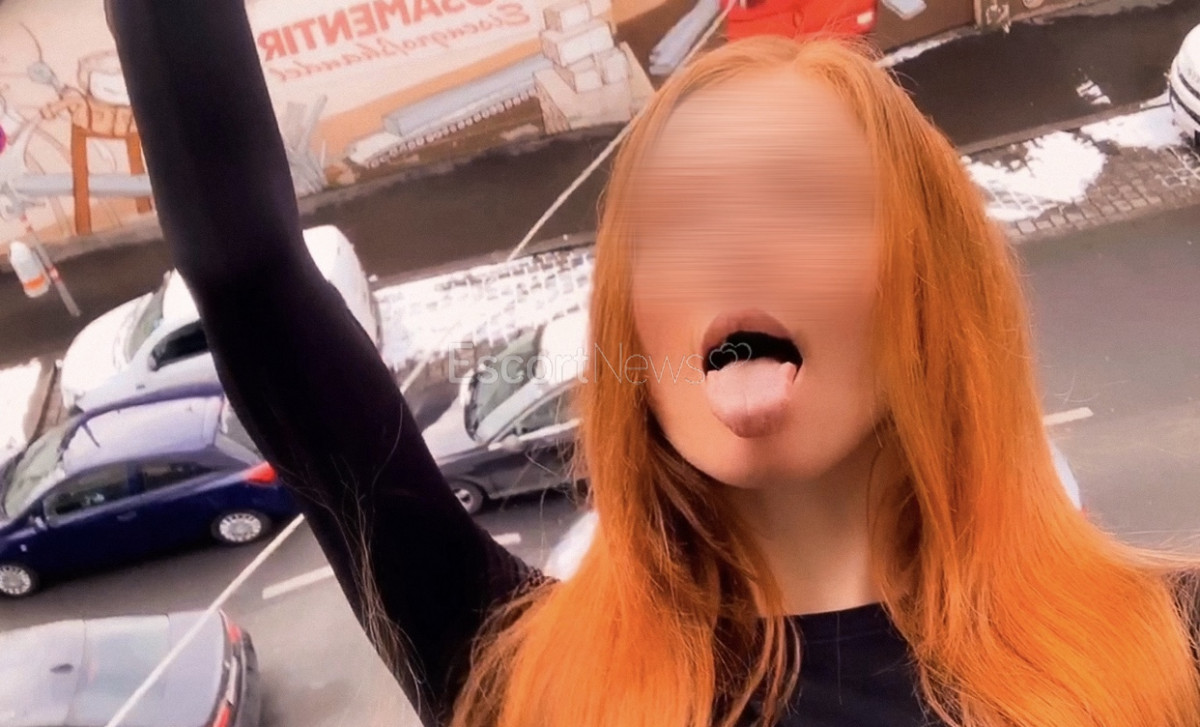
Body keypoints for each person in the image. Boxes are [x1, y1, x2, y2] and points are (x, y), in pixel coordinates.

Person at [106, 2, 1200, 726]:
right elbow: (248, 276)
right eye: (676, 223)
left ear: (935, 293)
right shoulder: (533, 675)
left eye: (806, 199)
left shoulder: (1161, 648)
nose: (733, 246)